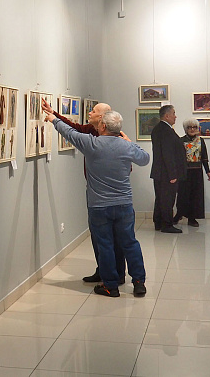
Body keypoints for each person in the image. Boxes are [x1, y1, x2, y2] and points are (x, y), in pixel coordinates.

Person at [45, 109, 149, 297]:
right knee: (130, 243)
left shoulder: (91, 143)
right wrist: (129, 142)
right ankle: (139, 282)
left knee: (105, 246)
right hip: (124, 205)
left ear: (103, 126)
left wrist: (53, 119)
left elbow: (70, 133)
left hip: (99, 206)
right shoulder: (126, 147)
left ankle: (111, 286)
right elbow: (145, 159)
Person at [42, 99, 126, 285]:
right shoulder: (91, 130)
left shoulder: (118, 138)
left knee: (115, 237)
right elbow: (74, 128)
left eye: (93, 111)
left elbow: (128, 166)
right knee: (98, 236)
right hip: (95, 193)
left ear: (102, 119)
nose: (89, 113)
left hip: (112, 196)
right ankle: (103, 270)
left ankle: (117, 274)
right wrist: (54, 114)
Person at [150, 105, 187, 233]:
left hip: (160, 172)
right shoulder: (165, 131)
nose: (175, 116)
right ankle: (166, 224)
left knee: (160, 198)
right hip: (166, 173)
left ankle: (158, 222)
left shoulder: (159, 129)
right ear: (167, 116)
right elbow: (168, 154)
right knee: (167, 199)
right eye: (173, 113)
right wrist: (172, 174)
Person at [173, 119, 210, 227]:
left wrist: (208, 172)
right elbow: (177, 158)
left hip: (197, 172)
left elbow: (204, 158)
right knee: (182, 195)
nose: (192, 129)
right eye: (189, 127)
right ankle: (179, 214)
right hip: (184, 172)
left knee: (195, 195)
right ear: (185, 129)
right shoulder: (181, 141)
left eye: (194, 127)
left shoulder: (201, 141)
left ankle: (192, 218)